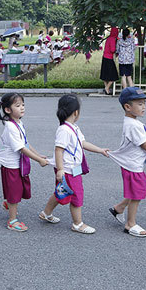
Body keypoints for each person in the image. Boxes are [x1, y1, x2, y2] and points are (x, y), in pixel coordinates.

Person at [39, 95, 109, 234]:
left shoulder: (74, 128)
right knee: (77, 195)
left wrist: (100, 150)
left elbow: (83, 143)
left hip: (72, 169)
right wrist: (60, 170)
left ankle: (46, 213)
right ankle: (77, 223)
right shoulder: (64, 130)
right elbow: (59, 150)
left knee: (63, 191)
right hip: (68, 170)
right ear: (76, 112)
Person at [107, 87, 146, 237]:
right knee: (137, 193)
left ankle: (119, 208)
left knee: (142, 187)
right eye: (139, 104)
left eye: (144, 103)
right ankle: (130, 224)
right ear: (127, 107)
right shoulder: (132, 125)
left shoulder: (133, 122)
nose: (143, 107)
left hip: (134, 164)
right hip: (132, 165)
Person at [0, 93, 49, 232]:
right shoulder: (11, 127)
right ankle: (12, 220)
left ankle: (9, 204)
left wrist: (38, 154)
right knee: (14, 192)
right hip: (11, 165)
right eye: (17, 106)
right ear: (7, 110)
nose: (22, 108)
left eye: (23, 105)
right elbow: (21, 148)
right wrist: (39, 160)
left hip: (17, 164)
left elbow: (25, 143)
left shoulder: (18, 123)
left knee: (17, 189)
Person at [100, 27, 119, 94]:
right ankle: (107, 88)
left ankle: (106, 89)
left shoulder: (108, 38)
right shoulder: (113, 39)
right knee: (114, 75)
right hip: (109, 58)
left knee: (104, 74)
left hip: (104, 57)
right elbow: (112, 50)